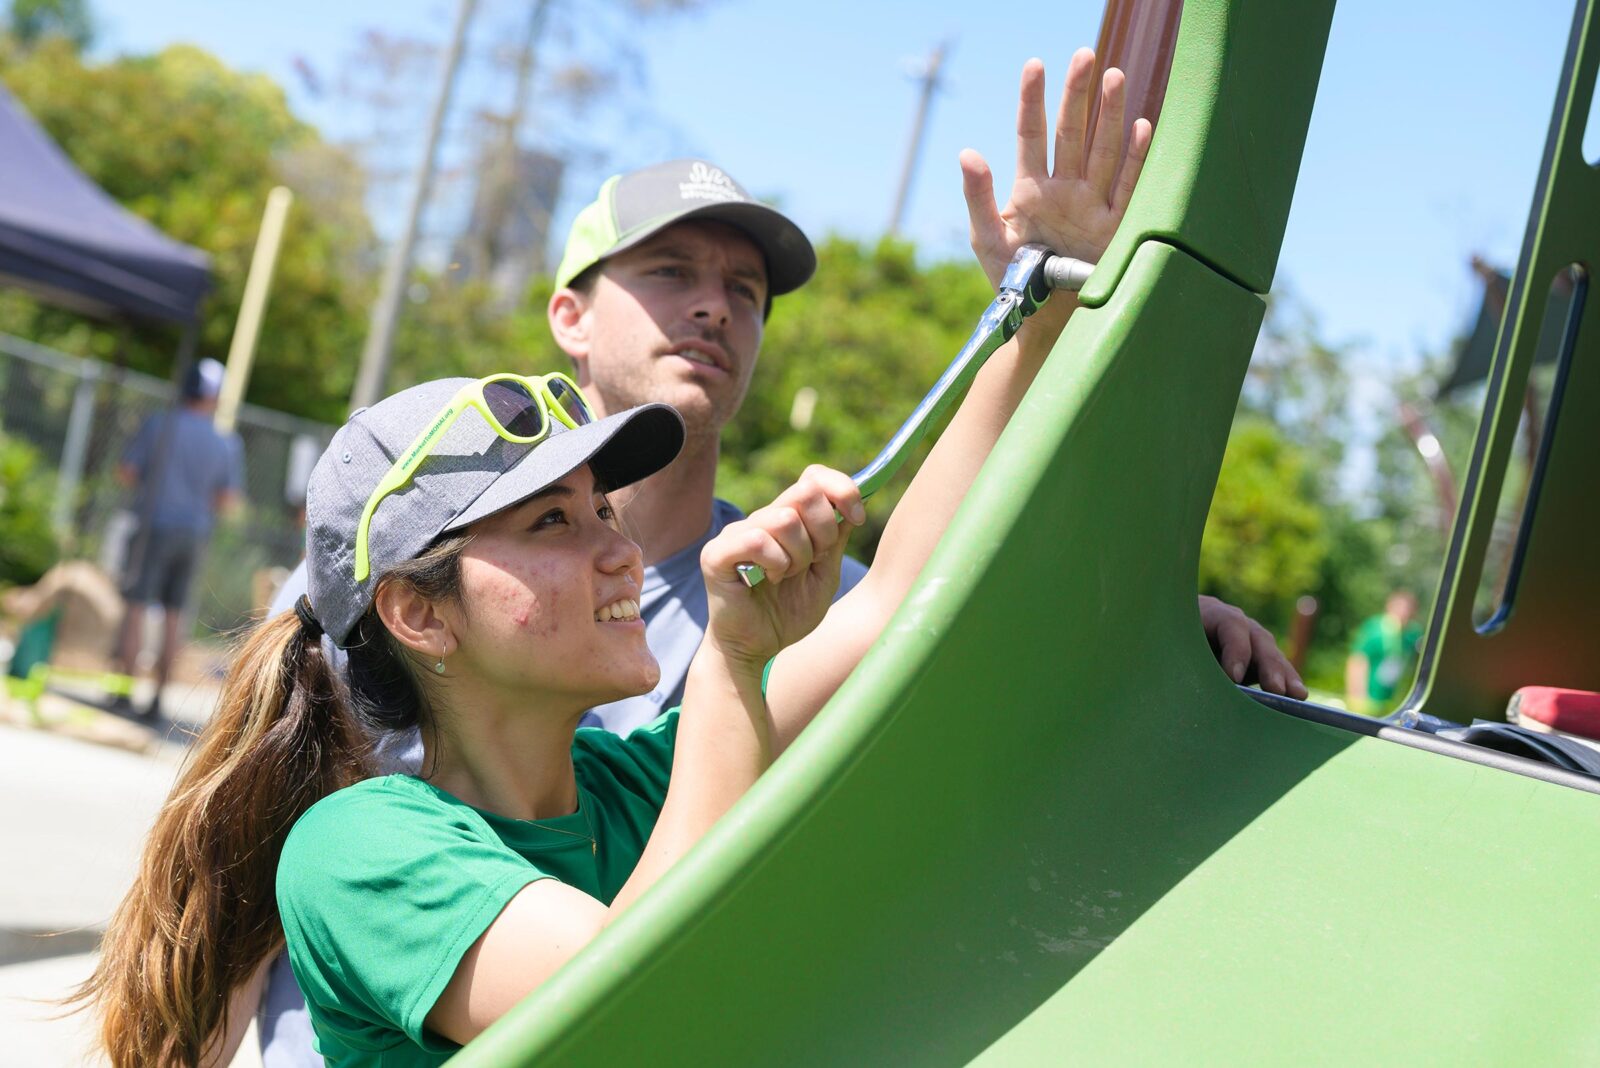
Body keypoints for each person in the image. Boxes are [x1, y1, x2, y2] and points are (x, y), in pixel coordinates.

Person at [158, 51, 1296, 1066]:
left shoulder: (633, 782)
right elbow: (628, 1007)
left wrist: (1037, 305)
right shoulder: (359, 844)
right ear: (416, 615)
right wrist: (734, 669)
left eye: (599, 509)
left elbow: (899, 593)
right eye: (551, 523)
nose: (611, 547)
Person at [111, 356, 244, 722]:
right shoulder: (224, 443)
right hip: (194, 533)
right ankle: (157, 699)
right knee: (174, 615)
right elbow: (228, 499)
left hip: (153, 524)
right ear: (214, 396)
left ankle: (123, 692)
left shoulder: (160, 424)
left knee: (136, 607)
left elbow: (126, 471)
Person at [1345, 589, 1422, 715]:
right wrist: (1357, 696)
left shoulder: (1412, 635)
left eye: (1408, 609)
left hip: (1392, 702)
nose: (1403, 613)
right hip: (1367, 700)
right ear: (1390, 606)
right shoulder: (1375, 629)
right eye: (1400, 608)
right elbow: (1357, 660)